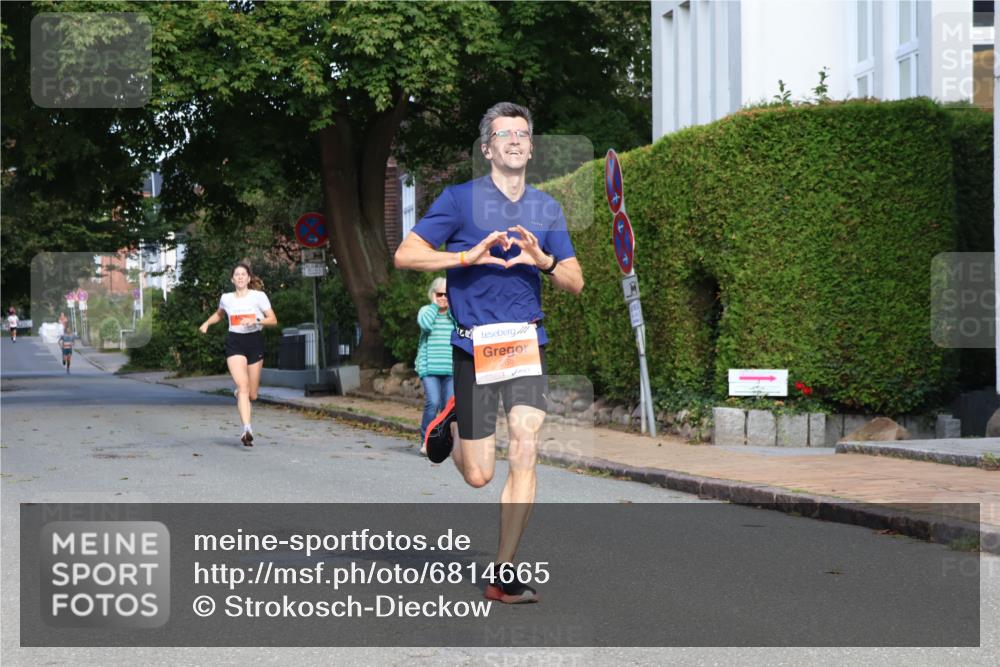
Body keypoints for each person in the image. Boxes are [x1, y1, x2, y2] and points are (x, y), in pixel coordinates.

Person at [395, 101, 584, 604]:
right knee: (479, 474)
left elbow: (575, 281)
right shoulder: (459, 201)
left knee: (525, 447)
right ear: (487, 148)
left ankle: (503, 574)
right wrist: (465, 256)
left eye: (523, 133)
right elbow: (406, 254)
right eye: (505, 134)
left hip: (525, 344)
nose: (515, 140)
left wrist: (543, 260)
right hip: (473, 345)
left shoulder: (546, 208)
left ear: (531, 148)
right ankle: (451, 423)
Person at [198, 263, 278, 447]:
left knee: (253, 395)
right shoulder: (226, 298)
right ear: (232, 279)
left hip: (254, 341)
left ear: (248, 278)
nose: (240, 277)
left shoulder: (259, 296)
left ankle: (240, 394)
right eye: (237, 274)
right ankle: (247, 429)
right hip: (235, 342)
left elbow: (273, 320)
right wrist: (207, 323)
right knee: (243, 387)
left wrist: (256, 320)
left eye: (243, 274)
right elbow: (219, 314)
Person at [415, 277, 456, 455]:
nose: (443, 298)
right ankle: (426, 441)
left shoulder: (454, 313)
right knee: (433, 402)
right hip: (429, 368)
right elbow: (426, 326)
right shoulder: (426, 311)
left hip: (450, 369)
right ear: (433, 295)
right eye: (440, 294)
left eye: (447, 294)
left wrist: (453, 307)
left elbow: (461, 327)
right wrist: (434, 306)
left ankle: (443, 443)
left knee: (448, 408)